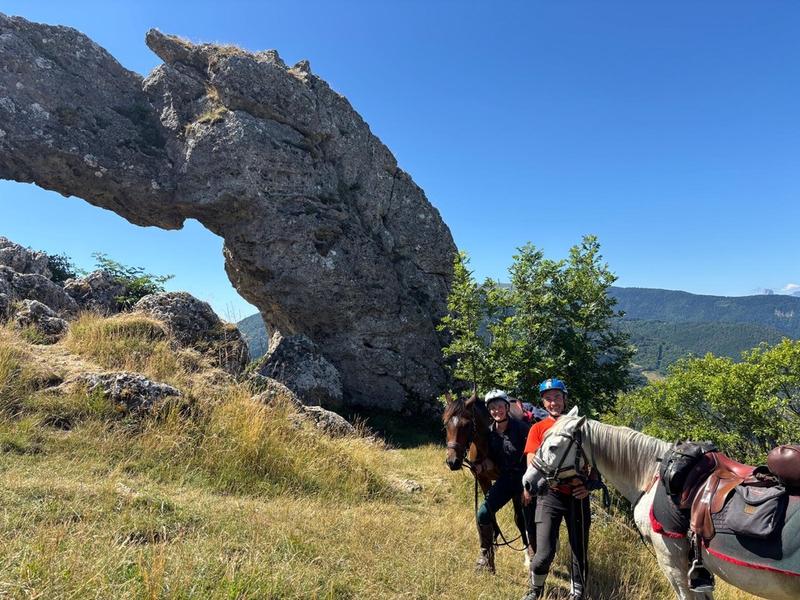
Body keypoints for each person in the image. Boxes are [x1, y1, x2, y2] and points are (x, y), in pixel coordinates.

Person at [521, 378, 600, 600]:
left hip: (577, 497)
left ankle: (577, 593)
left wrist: (588, 486)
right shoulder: (538, 428)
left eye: (557, 397)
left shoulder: (580, 427)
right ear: (543, 403)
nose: (553, 402)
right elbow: (532, 461)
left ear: (565, 399)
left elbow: (595, 463)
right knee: (544, 553)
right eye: (548, 399)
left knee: (578, 550)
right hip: (550, 496)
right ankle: (535, 590)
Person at [473, 389, 537, 573]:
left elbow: (534, 458)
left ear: (507, 407)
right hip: (505, 480)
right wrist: (481, 467)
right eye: (492, 408)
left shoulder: (522, 429)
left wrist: (528, 488)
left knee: (528, 520)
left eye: (500, 407)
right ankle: (486, 556)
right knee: (483, 514)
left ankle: (534, 558)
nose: (497, 411)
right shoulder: (490, 433)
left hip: (525, 480)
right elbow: (492, 460)